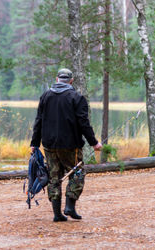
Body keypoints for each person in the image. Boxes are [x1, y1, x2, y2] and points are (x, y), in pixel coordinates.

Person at [30, 68, 102, 222]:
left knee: (53, 177)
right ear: (71, 81)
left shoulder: (45, 96)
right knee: (77, 174)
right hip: (71, 146)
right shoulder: (77, 97)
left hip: (49, 145)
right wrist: (94, 143)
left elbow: (38, 121)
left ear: (57, 79)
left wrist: (34, 143)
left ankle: (57, 213)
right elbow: (84, 123)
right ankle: (69, 206)